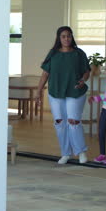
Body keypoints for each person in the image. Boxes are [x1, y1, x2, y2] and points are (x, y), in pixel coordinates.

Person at [35, 26, 91, 164]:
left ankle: (81, 151)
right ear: (59, 38)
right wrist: (38, 91)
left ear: (72, 37)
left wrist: (83, 80)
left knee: (73, 122)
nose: (66, 39)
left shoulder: (79, 53)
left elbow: (86, 72)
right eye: (63, 36)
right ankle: (66, 153)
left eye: (69, 36)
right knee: (59, 123)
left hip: (75, 92)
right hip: (56, 93)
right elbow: (45, 74)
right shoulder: (53, 54)